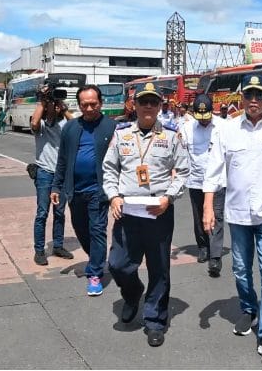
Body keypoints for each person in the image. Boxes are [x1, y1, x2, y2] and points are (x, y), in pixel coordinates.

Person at [203, 74, 262, 363]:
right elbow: (214, 171)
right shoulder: (227, 130)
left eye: (260, 95)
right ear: (241, 97)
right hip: (238, 214)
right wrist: (208, 207)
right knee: (242, 270)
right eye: (249, 95)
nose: (254, 100)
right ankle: (248, 309)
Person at [102, 82, 189, 348]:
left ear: (160, 105)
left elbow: (184, 172)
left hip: (158, 211)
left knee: (159, 268)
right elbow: (109, 169)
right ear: (135, 106)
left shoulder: (172, 136)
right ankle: (132, 294)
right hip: (127, 210)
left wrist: (168, 198)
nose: (148, 106)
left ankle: (154, 320)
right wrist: (113, 196)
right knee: (118, 264)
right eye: (143, 102)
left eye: (153, 102)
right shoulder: (121, 134)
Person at [50, 85, 117, 296]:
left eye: (93, 104)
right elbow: (62, 160)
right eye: (84, 105)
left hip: (99, 189)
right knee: (81, 229)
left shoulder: (112, 127)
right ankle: (96, 258)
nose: (89, 108)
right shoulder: (70, 128)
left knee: (97, 229)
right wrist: (56, 186)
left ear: (101, 103)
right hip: (74, 191)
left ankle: (95, 272)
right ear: (79, 105)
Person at [180, 94, 226, 276]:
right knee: (199, 216)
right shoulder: (187, 128)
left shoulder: (223, 127)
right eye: (200, 118)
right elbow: (179, 149)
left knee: (217, 217)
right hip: (196, 180)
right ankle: (203, 247)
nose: (203, 121)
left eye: (206, 117)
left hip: (217, 181)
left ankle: (215, 257)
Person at [31, 87, 75, 266]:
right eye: (51, 106)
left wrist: (63, 109)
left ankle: (58, 245)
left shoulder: (64, 125)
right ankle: (39, 250)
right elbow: (34, 122)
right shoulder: (40, 126)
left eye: (55, 106)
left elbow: (78, 124)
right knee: (42, 213)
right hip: (44, 173)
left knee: (60, 212)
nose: (53, 108)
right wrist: (43, 101)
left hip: (61, 175)